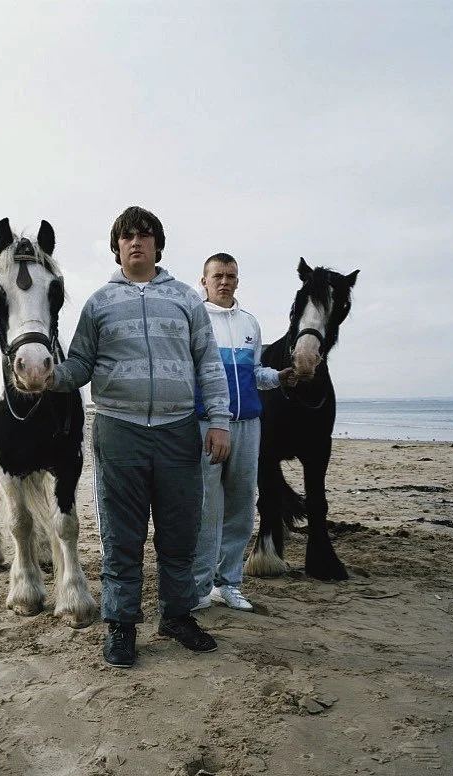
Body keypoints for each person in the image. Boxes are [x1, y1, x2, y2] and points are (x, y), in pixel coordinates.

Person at [47, 206, 232, 668]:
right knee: (121, 536)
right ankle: (121, 625)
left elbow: (208, 363)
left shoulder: (186, 298)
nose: (136, 242)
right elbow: (80, 364)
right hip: (118, 430)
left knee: (179, 535)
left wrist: (220, 421)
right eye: (127, 236)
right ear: (117, 246)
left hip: (178, 431)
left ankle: (177, 617)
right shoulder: (99, 303)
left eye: (145, 235)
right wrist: (50, 376)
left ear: (157, 245)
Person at [192, 253, 294, 612]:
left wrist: (277, 377)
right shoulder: (195, 319)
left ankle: (228, 583)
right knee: (207, 509)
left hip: (249, 424)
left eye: (231, 276)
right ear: (204, 281)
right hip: (206, 425)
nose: (225, 282)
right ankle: (200, 586)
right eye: (218, 275)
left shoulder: (250, 322)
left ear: (238, 280)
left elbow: (255, 373)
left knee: (240, 508)